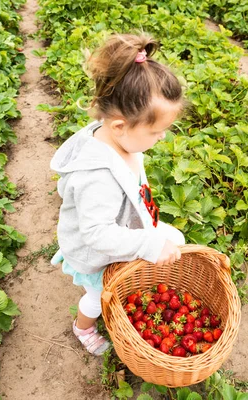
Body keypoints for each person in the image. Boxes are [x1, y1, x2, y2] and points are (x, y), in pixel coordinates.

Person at [49, 33, 186, 356]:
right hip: (97, 251)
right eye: (155, 132)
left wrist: (149, 230)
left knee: (176, 240)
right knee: (97, 297)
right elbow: (97, 234)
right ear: (120, 126)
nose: (162, 136)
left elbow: (132, 186)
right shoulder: (96, 176)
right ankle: (83, 327)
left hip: (126, 228)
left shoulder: (121, 140)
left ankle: (134, 272)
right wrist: (148, 243)